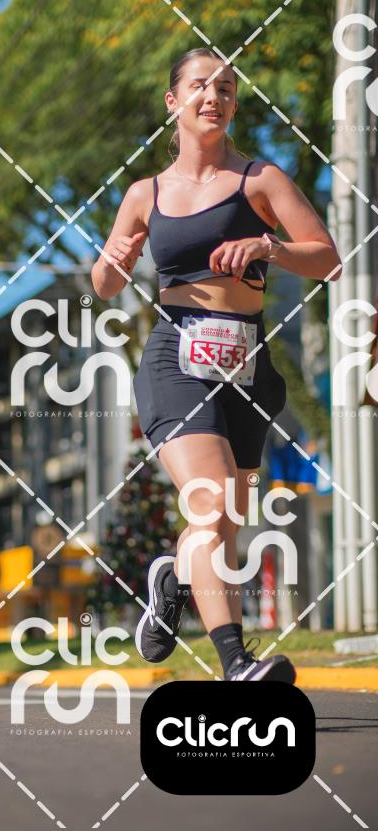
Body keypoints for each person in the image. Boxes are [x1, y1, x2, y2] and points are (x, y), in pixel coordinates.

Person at [90, 47, 342, 682]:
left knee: (224, 521)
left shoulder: (261, 180)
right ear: (173, 101)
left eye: (226, 88)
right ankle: (236, 664)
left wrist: (268, 247)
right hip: (176, 360)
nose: (215, 96)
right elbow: (105, 284)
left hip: (249, 368)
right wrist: (116, 260)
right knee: (211, 502)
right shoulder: (145, 194)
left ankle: (173, 578)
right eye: (201, 85)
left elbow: (327, 258)